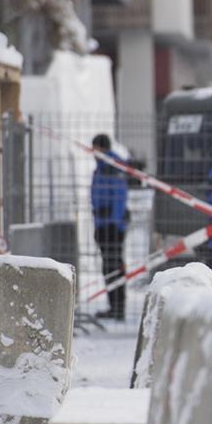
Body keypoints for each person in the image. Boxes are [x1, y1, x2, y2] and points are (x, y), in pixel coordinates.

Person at [90, 134, 130, 320]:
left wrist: (114, 220)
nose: (93, 153)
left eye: (95, 148)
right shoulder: (101, 168)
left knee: (114, 265)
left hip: (112, 226)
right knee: (108, 266)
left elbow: (119, 196)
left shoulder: (114, 167)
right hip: (102, 224)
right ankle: (113, 306)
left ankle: (118, 307)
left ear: (102, 148)